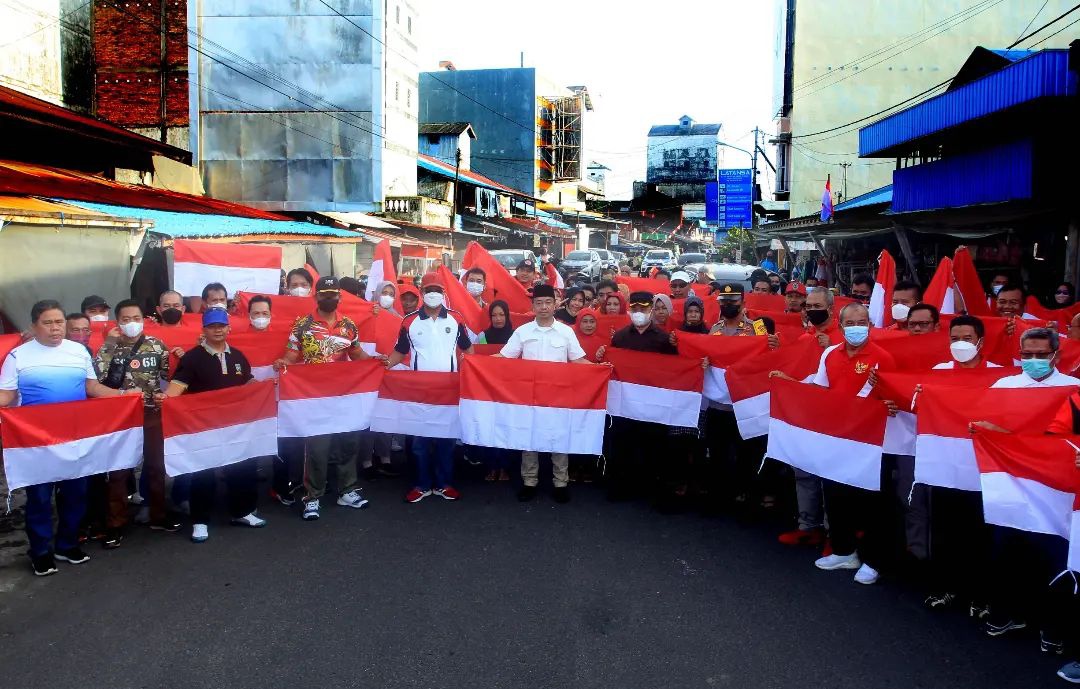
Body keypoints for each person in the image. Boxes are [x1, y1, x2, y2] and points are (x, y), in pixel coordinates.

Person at [0, 300, 128, 575]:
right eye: (48, 322)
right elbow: (8, 396)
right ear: (34, 326)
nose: (55, 328)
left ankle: (67, 544)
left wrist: (126, 397)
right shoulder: (18, 356)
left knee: (75, 494)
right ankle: (40, 551)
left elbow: (91, 387)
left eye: (59, 322)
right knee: (40, 498)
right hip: (37, 441)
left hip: (74, 437)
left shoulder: (78, 352)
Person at [774, 303, 897, 585]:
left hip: (869, 441)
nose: (857, 327)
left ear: (870, 324)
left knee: (872, 502)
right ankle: (844, 551)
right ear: (841, 327)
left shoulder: (883, 358)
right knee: (837, 495)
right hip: (837, 437)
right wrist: (791, 385)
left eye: (862, 321)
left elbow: (891, 397)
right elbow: (820, 391)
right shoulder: (830, 353)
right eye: (851, 322)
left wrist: (888, 405)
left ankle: (874, 559)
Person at [164, 309, 266, 543]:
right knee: (204, 474)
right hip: (205, 427)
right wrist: (166, 400)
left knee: (242, 468)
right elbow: (176, 388)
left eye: (222, 325)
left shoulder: (238, 356)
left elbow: (247, 383)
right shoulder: (192, 358)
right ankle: (200, 521)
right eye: (212, 326)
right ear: (204, 329)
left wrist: (264, 387)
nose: (218, 330)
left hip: (235, 425)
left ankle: (242, 512)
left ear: (229, 328)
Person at [279, 277, 373, 521]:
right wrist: (284, 363)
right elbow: (291, 355)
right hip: (314, 397)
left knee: (349, 441)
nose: (329, 298)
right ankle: (313, 497)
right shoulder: (302, 325)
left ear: (340, 297)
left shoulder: (349, 326)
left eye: (333, 294)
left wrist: (376, 362)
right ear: (316, 296)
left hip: (344, 396)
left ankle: (347, 490)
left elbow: (357, 353)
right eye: (324, 294)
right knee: (318, 448)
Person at [93, 299, 179, 547]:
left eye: (136, 318)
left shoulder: (156, 345)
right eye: (126, 319)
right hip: (120, 418)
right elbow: (97, 376)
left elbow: (166, 379)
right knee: (119, 472)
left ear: (145, 319)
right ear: (118, 321)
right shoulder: (109, 347)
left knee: (155, 467)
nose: (132, 324)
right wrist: (108, 343)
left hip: (152, 414)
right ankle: (115, 524)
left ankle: (158, 515)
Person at [497, 284, 590, 504]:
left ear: (556, 303)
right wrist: (476, 362)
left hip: (558, 397)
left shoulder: (566, 331)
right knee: (530, 439)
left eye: (548, 302)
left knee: (559, 438)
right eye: (539, 303)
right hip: (530, 396)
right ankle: (530, 482)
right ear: (533, 306)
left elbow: (577, 360)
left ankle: (560, 483)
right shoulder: (523, 331)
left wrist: (600, 367)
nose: (544, 307)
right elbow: (505, 358)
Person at [386, 272, 474, 503]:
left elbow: (468, 349)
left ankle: (444, 484)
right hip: (419, 391)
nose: (433, 294)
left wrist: (472, 372)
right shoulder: (409, 321)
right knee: (419, 442)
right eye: (428, 290)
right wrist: (383, 365)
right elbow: (400, 351)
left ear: (443, 293)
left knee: (446, 440)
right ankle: (422, 485)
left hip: (448, 389)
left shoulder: (456, 319)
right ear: (422, 293)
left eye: (437, 290)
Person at [596, 292, 678, 501]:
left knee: (655, 448)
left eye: (643, 309)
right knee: (623, 446)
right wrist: (602, 355)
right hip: (626, 404)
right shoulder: (620, 337)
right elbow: (612, 364)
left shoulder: (663, 339)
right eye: (635, 309)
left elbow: (675, 369)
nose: (639, 313)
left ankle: (656, 491)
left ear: (651, 310)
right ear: (630, 310)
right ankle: (620, 488)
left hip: (654, 403)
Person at [990, 327, 1080, 389]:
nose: (1033, 359)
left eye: (1041, 355)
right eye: (1027, 354)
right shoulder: (1003, 386)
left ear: (1056, 356)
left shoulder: (1074, 386)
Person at [932, 315, 997, 370]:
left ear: (980, 342)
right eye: (954, 339)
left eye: (967, 339)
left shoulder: (998, 373)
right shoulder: (940, 370)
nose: (960, 344)